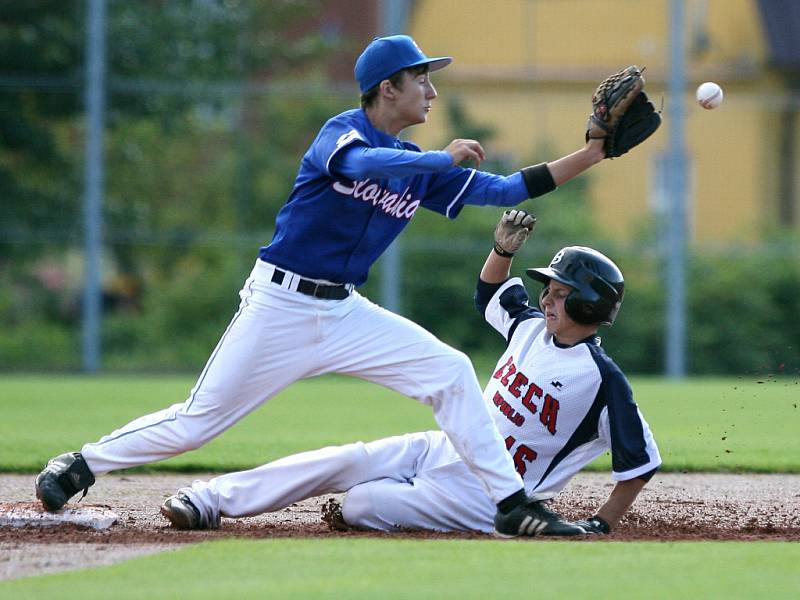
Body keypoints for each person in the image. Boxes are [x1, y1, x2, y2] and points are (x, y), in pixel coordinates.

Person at [36, 35, 613, 537]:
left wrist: (591, 153)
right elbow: (359, 167)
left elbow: (508, 189)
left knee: (451, 370)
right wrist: (437, 160)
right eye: (421, 79)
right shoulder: (342, 133)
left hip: (345, 313)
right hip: (280, 305)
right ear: (387, 88)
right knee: (199, 422)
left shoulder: (415, 163)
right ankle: (83, 464)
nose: (431, 92)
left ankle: (511, 504)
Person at [159, 210, 660, 536]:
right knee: (342, 460)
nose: (547, 295)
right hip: (445, 445)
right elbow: (489, 295)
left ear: (590, 304)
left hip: (489, 497)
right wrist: (503, 251)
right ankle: (208, 500)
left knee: (359, 505)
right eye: (548, 288)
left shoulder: (603, 380)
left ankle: (380, 512)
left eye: (560, 290)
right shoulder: (530, 329)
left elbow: (638, 464)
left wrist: (601, 525)